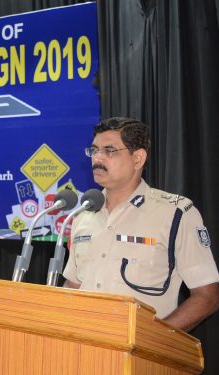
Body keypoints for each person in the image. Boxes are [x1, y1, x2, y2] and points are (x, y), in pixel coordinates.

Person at [62, 117, 219, 332]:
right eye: (94, 150)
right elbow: (73, 286)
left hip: (140, 356)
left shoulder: (175, 213)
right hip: (85, 347)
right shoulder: (84, 215)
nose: (97, 158)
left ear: (138, 158)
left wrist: (154, 340)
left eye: (109, 150)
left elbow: (207, 296)